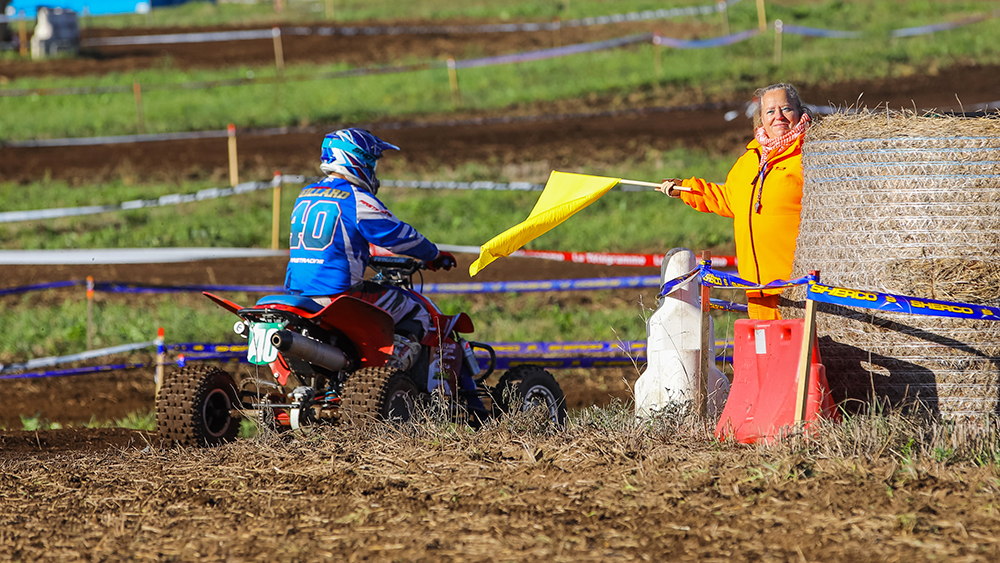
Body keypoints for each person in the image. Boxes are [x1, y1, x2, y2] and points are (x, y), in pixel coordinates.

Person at [284, 127, 457, 370]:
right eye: (371, 162)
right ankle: (388, 375)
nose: (373, 170)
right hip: (338, 295)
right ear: (357, 159)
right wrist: (434, 255)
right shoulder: (356, 198)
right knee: (416, 310)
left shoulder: (305, 195)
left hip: (297, 294)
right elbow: (399, 235)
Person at [658, 83, 814, 320]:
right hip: (757, 288)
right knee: (768, 354)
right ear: (761, 118)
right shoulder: (747, 162)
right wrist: (684, 189)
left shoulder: (811, 157)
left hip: (799, 287)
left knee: (801, 353)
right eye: (770, 111)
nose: (778, 117)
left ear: (800, 112)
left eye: (786, 109)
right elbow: (728, 198)